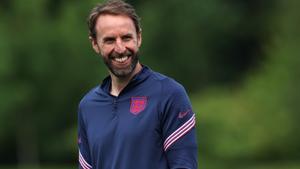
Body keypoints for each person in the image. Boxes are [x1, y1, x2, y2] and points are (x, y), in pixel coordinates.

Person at [78, 0, 198, 168]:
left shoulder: (170, 94)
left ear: (139, 37)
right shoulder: (88, 106)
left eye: (126, 38)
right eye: (110, 40)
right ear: (95, 44)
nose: (120, 48)